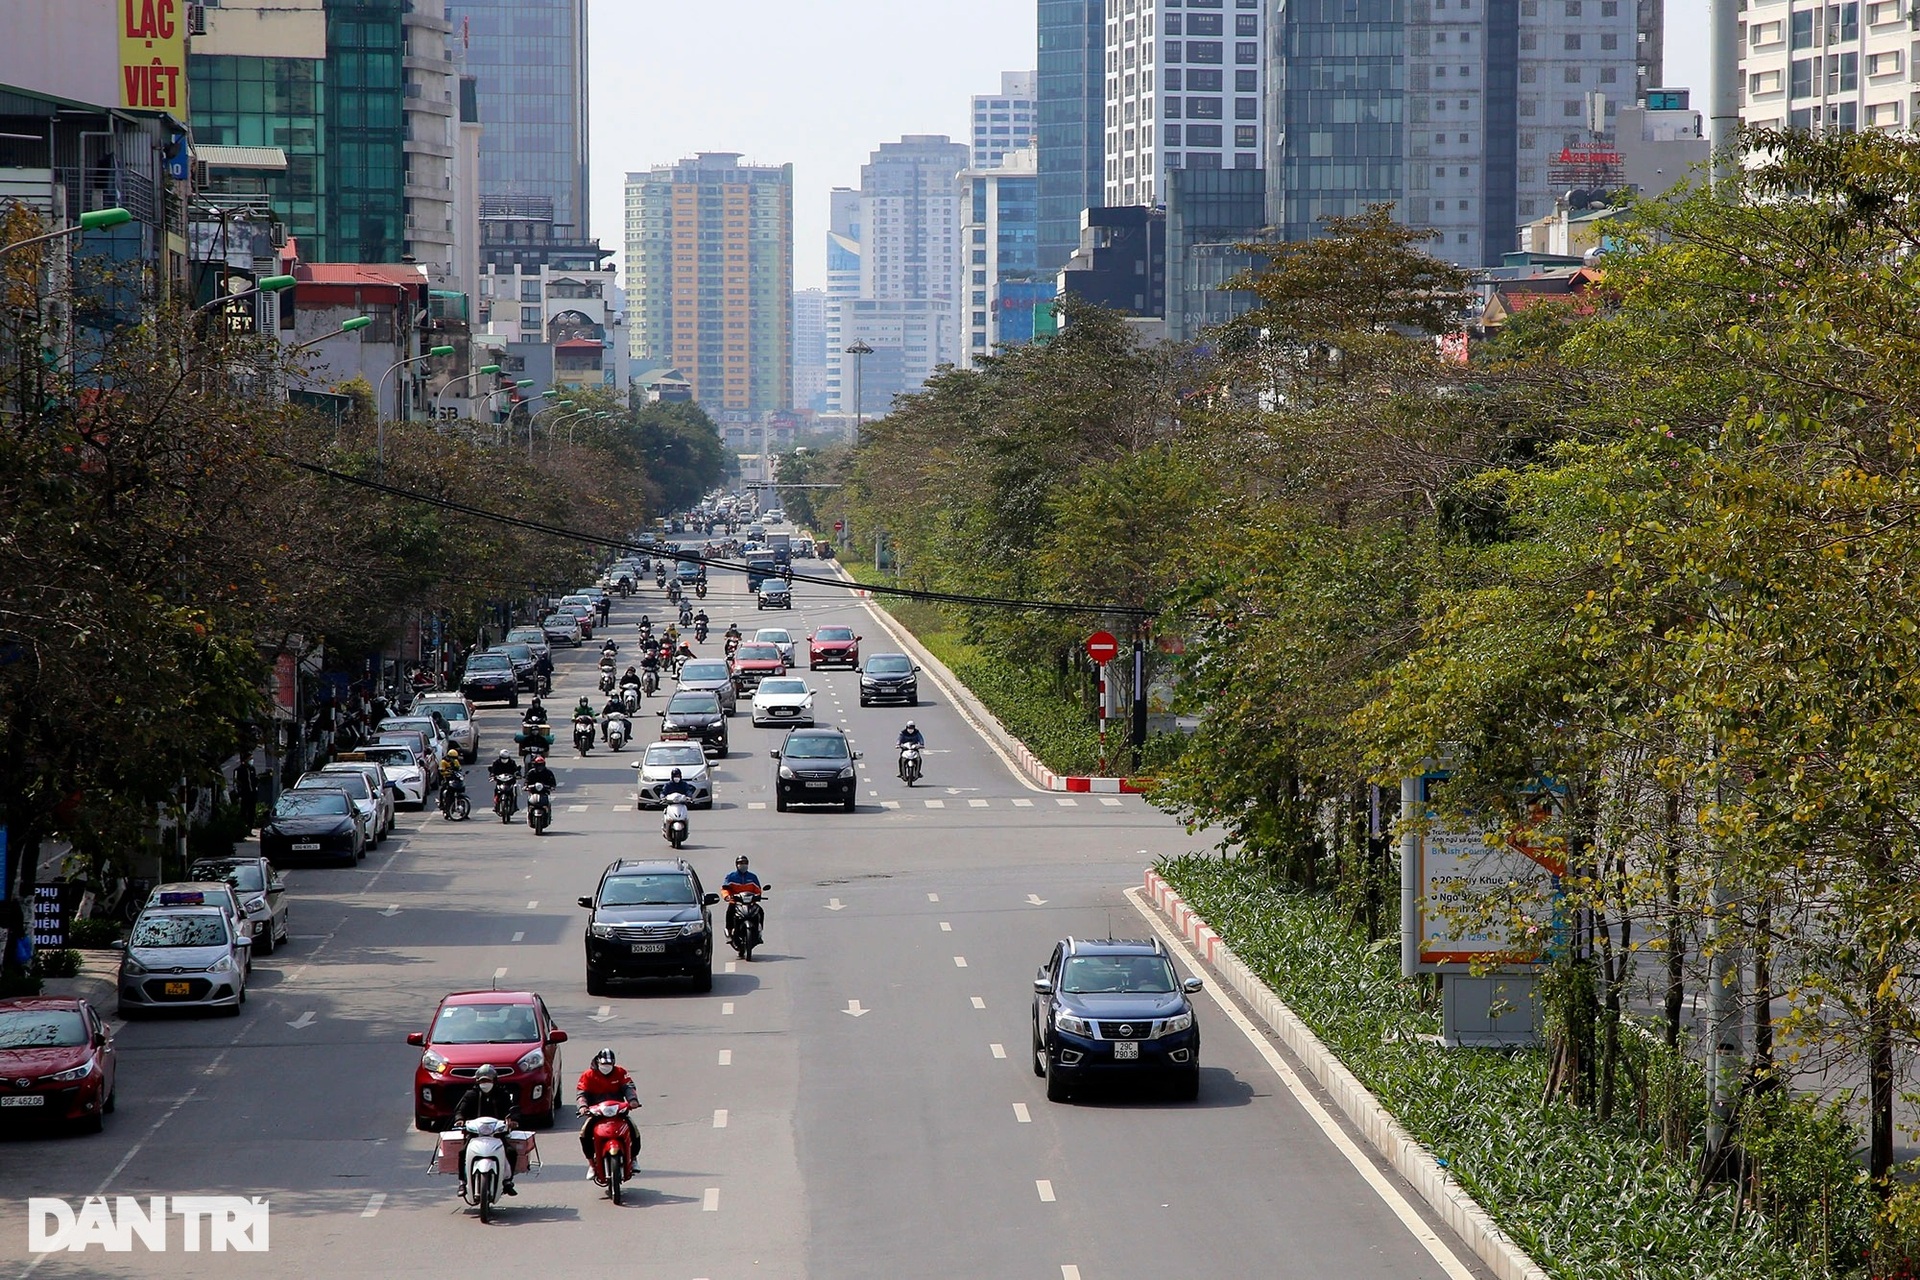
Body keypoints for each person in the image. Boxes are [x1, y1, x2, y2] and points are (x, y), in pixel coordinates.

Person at [450, 1064, 520, 1196]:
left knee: (511, 1152)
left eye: (488, 1080)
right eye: (482, 1081)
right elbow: (460, 1111)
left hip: (497, 1134)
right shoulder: (471, 1095)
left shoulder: (502, 1094)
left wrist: (513, 1119)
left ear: (494, 1081)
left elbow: (512, 1110)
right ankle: (462, 1183)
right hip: (475, 1134)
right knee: (462, 1152)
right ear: (477, 1082)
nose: (485, 1083)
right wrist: (460, 1119)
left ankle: (507, 1181)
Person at [576, 1047, 641, 1176]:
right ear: (598, 1062)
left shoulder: (620, 1072)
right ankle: (591, 1165)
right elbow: (581, 1093)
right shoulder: (588, 1075)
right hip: (596, 1114)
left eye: (609, 1064)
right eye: (604, 1064)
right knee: (584, 1134)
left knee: (634, 1131)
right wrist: (583, 1106)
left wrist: (633, 1100)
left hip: (619, 1113)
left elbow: (629, 1087)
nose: (606, 1067)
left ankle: (633, 1159)